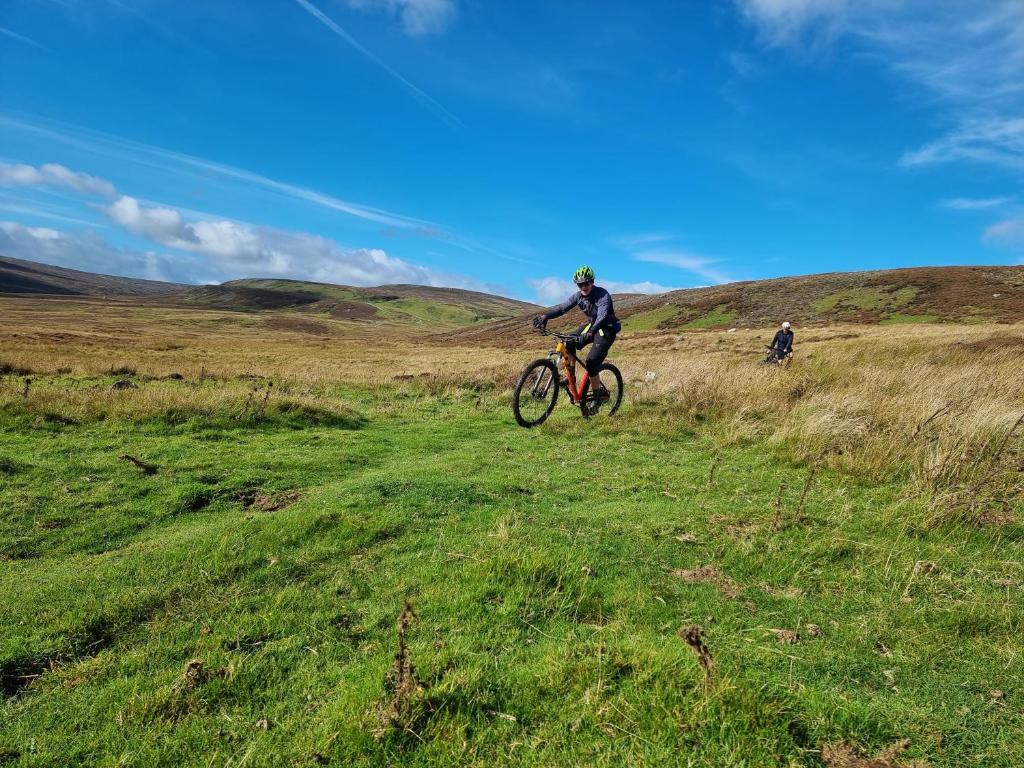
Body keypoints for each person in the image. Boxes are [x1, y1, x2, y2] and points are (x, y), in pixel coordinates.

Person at [532, 266, 621, 400]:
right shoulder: (578, 296)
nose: (583, 287)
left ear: (592, 282)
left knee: (591, 363)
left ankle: (597, 395)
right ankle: (570, 377)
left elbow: (602, 316)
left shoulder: (602, 294)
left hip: (606, 328)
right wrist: (546, 316)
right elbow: (562, 308)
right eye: (580, 284)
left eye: (586, 283)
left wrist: (590, 332)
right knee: (569, 342)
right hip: (592, 326)